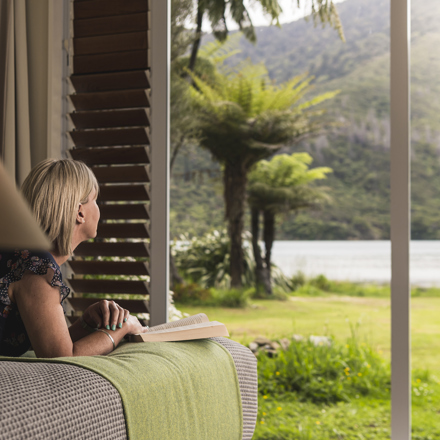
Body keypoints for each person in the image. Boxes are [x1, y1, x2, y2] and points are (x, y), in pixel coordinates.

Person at [0, 159, 149, 357]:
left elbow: (46, 344)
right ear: (80, 212)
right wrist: (124, 327)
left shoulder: (22, 257)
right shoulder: (37, 268)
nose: (98, 208)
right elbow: (61, 358)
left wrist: (85, 324)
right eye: (95, 200)